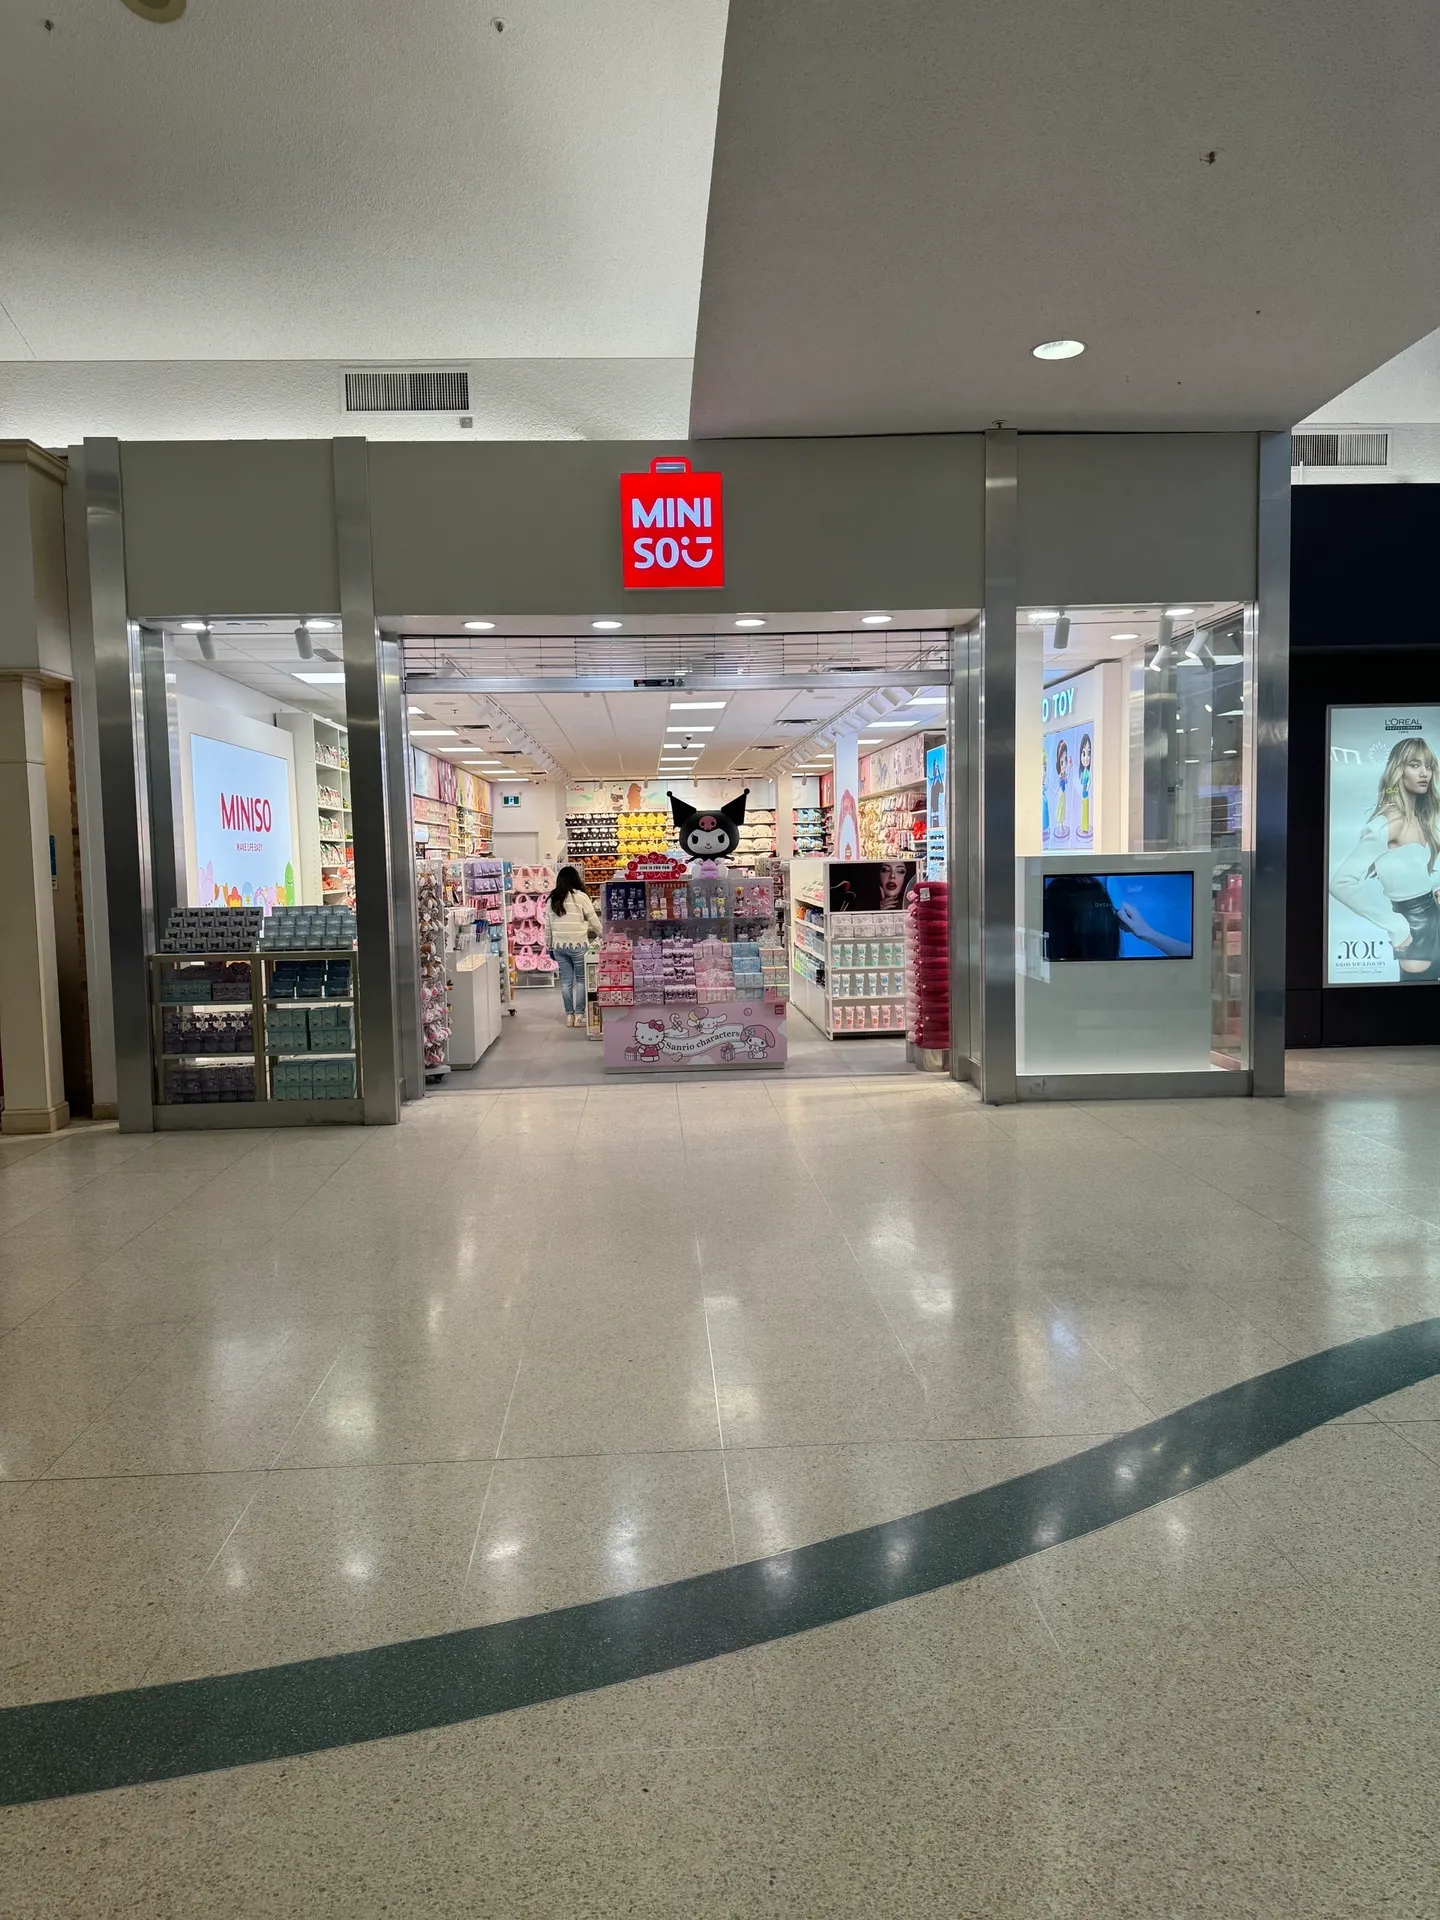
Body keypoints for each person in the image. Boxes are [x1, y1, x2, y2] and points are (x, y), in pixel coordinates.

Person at [1329, 737, 1440, 982]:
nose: (1425, 773)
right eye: (1415, 765)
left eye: (1429, 766)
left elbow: (1412, 873)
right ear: (1399, 769)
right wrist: (1394, 924)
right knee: (1420, 997)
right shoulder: (1388, 823)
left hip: (1434, 916)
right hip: (1414, 927)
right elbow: (1340, 883)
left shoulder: (1420, 818)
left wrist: (1434, 888)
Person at [545, 864, 601, 1026]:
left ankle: (569, 1016)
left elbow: (547, 926)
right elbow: (594, 920)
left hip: (559, 946)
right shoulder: (581, 897)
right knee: (582, 980)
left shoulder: (552, 899)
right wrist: (604, 936)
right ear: (576, 879)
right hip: (578, 944)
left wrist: (549, 946)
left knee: (566, 982)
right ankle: (579, 1015)